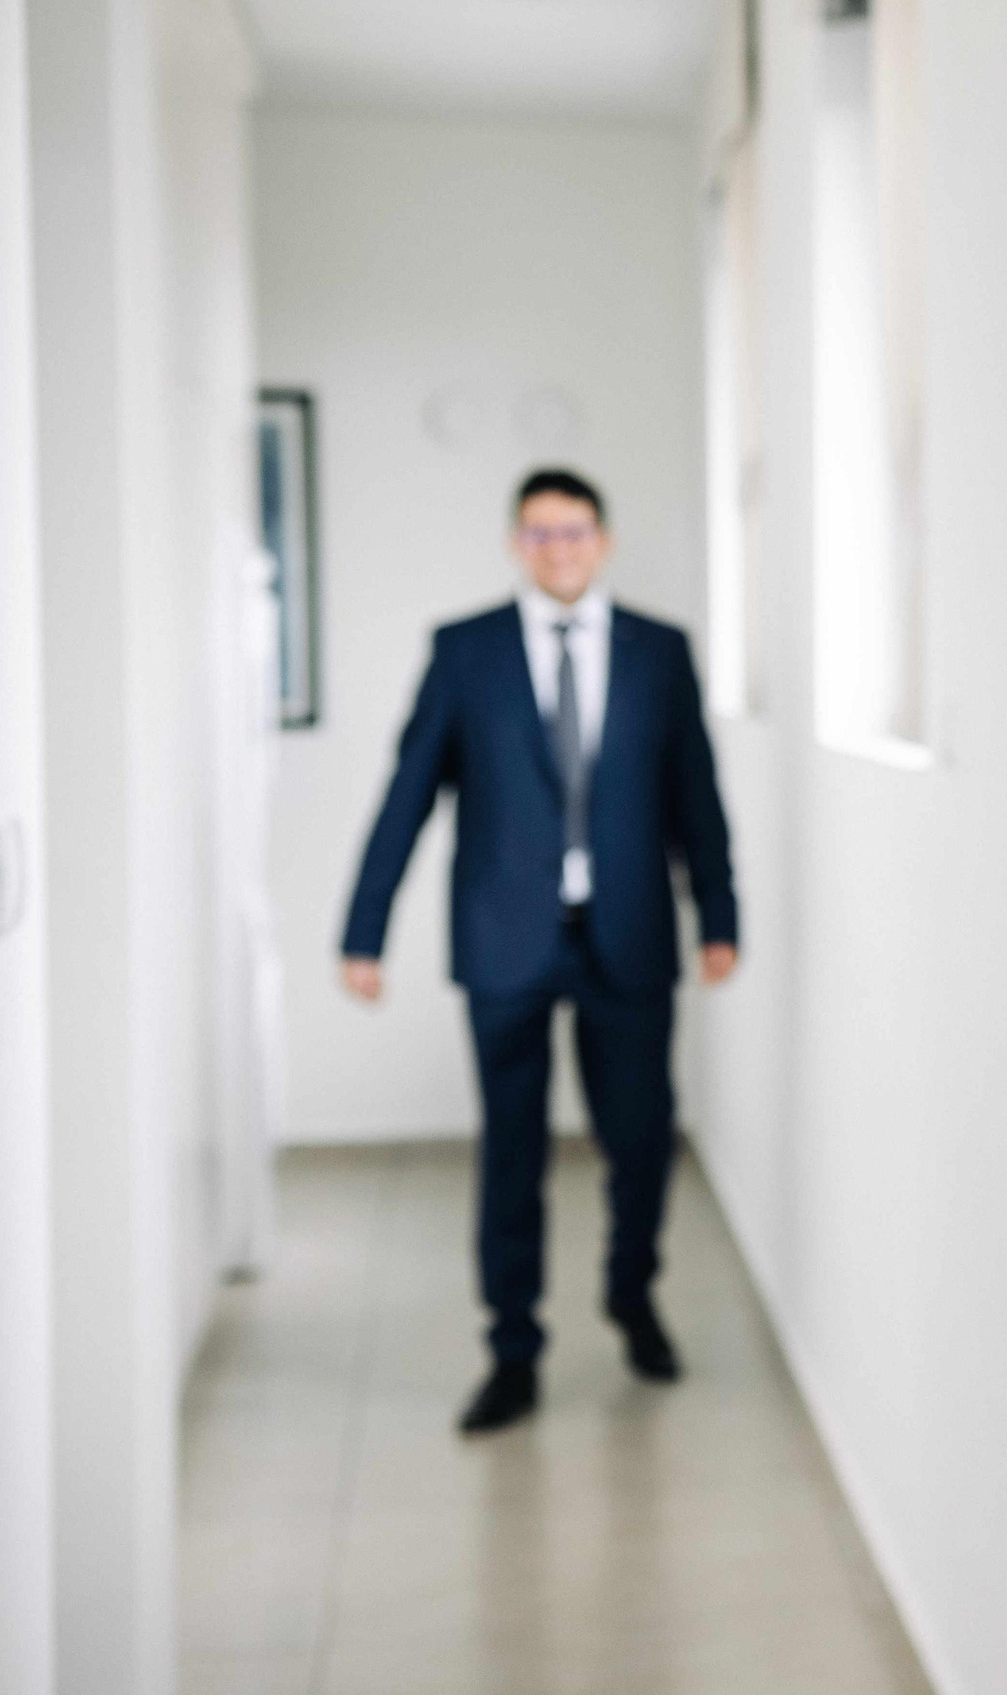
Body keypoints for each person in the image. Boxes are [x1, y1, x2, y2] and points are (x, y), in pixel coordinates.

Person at [340, 468, 738, 1435]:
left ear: (603, 539)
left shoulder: (659, 650)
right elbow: (407, 794)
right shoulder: (464, 649)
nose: (558, 549)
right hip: (504, 938)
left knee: (640, 1138)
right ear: (517, 544)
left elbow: (695, 793)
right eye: (539, 533)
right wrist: (365, 929)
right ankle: (512, 1349)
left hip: (628, 933)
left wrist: (719, 914)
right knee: (512, 1152)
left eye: (574, 531)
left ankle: (632, 1296)